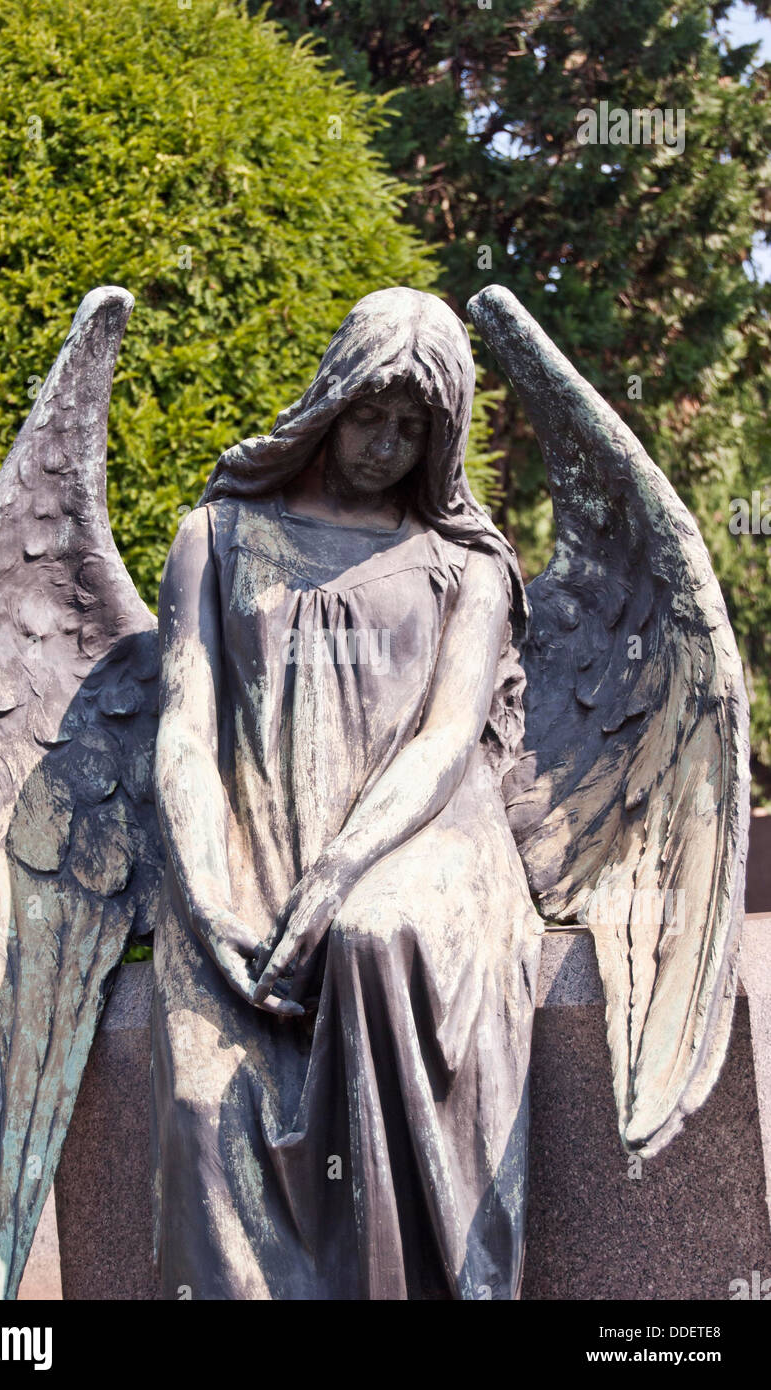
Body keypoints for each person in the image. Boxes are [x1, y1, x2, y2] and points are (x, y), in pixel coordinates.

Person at [151, 287, 544, 1300]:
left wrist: (338, 870)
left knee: (378, 936)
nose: (383, 446)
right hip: (252, 840)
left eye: (413, 429)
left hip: (422, 829)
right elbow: (186, 729)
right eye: (370, 415)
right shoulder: (220, 536)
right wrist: (205, 892)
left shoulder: (466, 565)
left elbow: (453, 736)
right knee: (206, 1106)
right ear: (330, 399)